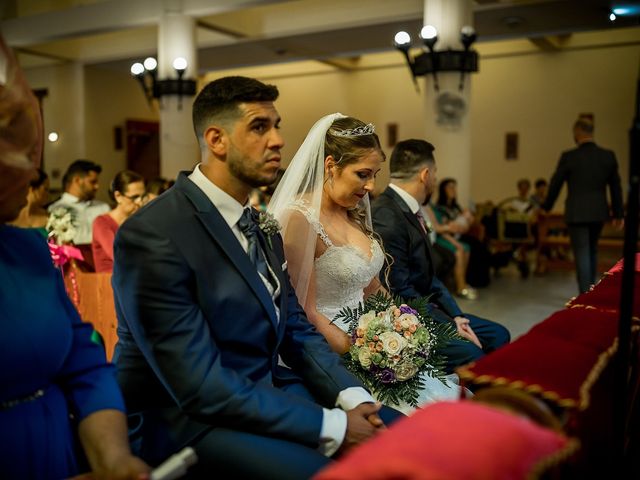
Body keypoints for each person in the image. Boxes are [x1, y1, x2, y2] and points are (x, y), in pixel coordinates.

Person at [112, 77, 401, 478]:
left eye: (277, 125)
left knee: (400, 433)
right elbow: (198, 385)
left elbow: (295, 328)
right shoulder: (154, 233)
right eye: (260, 127)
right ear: (217, 139)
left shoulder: (259, 224)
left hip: (268, 389)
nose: (279, 140)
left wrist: (350, 395)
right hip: (190, 419)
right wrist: (332, 426)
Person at [0, 32, 149, 479]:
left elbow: (86, 362)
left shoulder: (27, 251)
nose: (28, 168)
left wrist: (113, 458)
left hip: (58, 445)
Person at [268, 114, 466, 413]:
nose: (372, 186)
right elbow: (304, 313)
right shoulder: (300, 219)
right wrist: (364, 352)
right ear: (330, 165)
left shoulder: (353, 209)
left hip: (377, 338)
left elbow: (372, 286)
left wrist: (406, 329)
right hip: (333, 345)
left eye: (375, 174)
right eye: (363, 174)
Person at [371, 139, 510, 373]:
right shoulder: (388, 215)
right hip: (407, 317)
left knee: (498, 335)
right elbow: (399, 290)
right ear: (425, 175)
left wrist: (457, 316)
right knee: (473, 353)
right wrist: (448, 325)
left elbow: (429, 277)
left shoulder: (411, 209)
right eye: (435, 173)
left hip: (429, 308)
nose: (435, 179)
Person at [542, 118, 624, 293]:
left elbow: (556, 184)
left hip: (576, 211)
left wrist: (546, 206)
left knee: (582, 252)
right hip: (598, 211)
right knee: (592, 250)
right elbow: (616, 186)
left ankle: (585, 295)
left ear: (577, 132)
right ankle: (592, 291)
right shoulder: (607, 155)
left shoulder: (569, 156)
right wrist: (618, 214)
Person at [48, 159, 109, 269]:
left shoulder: (103, 208)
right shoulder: (55, 209)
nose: (97, 187)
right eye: (92, 182)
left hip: (102, 266)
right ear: (77, 180)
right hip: (70, 268)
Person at [92, 170, 146, 273]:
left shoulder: (138, 221)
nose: (140, 202)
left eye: (143, 197)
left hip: (135, 278)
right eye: (134, 197)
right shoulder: (102, 222)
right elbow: (120, 256)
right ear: (118, 196)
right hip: (108, 282)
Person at [9, 167, 49, 237]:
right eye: (45, 189)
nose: (48, 194)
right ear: (32, 189)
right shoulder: (9, 216)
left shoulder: (49, 217)